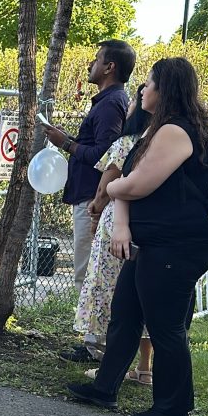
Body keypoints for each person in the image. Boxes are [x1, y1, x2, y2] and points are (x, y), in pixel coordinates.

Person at [67, 58, 208, 416]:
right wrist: (121, 209)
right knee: (126, 313)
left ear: (164, 90)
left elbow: (134, 185)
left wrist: (115, 188)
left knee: (165, 326)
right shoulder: (159, 129)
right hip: (150, 243)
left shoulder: (175, 132)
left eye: (148, 84)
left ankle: (173, 407)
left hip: (175, 246)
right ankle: (105, 388)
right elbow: (130, 187)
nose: (141, 90)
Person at [61, 86, 153, 384]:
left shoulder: (127, 143)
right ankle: (145, 367)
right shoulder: (159, 143)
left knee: (114, 293)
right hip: (148, 225)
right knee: (143, 296)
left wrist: (96, 208)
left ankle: (109, 362)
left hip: (118, 224)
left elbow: (105, 186)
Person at [44, 39, 135, 293]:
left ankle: (91, 333)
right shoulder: (109, 101)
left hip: (93, 200)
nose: (90, 64)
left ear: (109, 67)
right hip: (90, 197)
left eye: (96, 59)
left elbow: (106, 155)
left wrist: (66, 144)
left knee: (87, 275)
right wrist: (71, 141)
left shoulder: (110, 103)